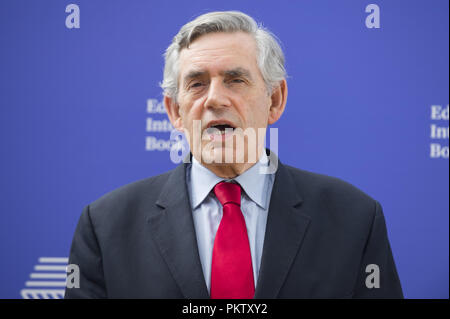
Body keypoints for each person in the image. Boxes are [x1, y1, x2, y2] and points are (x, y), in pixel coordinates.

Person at [65, 11, 403, 299]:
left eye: (235, 80)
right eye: (196, 83)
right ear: (174, 111)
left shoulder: (354, 218)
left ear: (275, 100)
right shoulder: (106, 225)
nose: (214, 99)